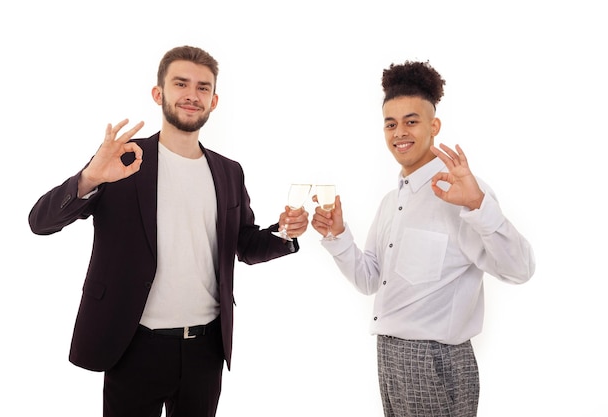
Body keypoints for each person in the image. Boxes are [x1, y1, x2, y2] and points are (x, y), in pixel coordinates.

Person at [28, 45, 309, 417]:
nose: (193, 95)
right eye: (181, 84)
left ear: (214, 101)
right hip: (133, 344)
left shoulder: (229, 171)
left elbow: (243, 243)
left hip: (205, 349)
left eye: (203, 88)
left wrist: (285, 233)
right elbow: (40, 222)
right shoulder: (122, 160)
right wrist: (89, 178)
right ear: (158, 94)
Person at [311, 60, 535, 416]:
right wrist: (337, 235)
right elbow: (370, 280)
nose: (400, 132)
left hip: (437, 361)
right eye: (391, 123)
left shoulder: (462, 192)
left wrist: (478, 204)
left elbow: (520, 269)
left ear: (435, 126)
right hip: (388, 356)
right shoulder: (391, 201)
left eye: (411, 121)